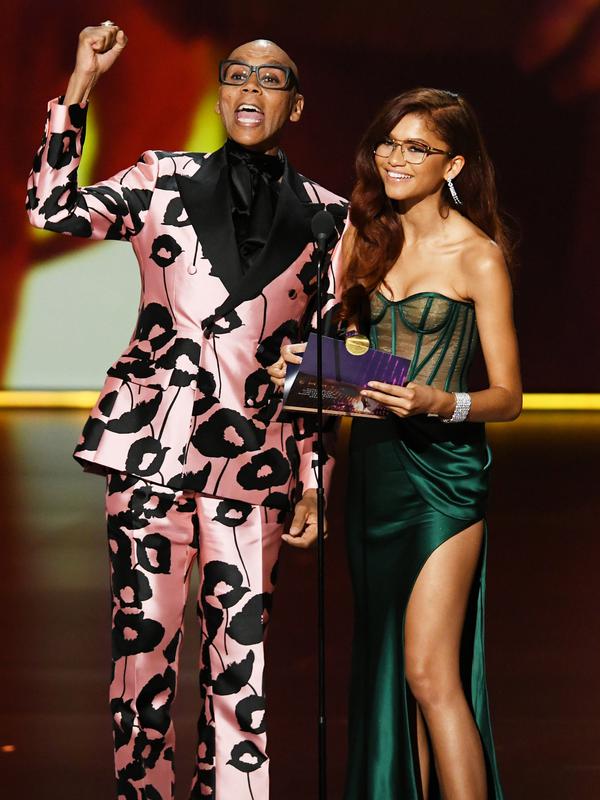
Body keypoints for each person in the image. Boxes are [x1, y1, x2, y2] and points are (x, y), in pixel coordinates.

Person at [26, 21, 347, 800]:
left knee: (243, 664)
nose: (249, 89)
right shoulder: (158, 177)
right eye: (236, 75)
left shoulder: (333, 217)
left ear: (296, 107)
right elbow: (51, 210)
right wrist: (81, 85)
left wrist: (315, 478)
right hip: (147, 454)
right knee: (144, 655)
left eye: (270, 80)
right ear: (219, 93)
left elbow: (330, 356)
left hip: (256, 465)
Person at [269, 88, 522, 799]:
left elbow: (509, 396)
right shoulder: (362, 236)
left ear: (453, 165)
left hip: (445, 477)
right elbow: (357, 370)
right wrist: (312, 371)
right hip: (372, 469)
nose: (396, 157)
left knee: (427, 670)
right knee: (385, 669)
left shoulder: (478, 257)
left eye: (417, 147)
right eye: (388, 143)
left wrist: (447, 401)